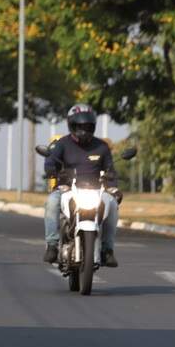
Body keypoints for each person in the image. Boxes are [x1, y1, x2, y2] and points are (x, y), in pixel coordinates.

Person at [42, 103, 119, 267]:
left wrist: (113, 188)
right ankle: (52, 245)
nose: (83, 130)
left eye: (87, 126)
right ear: (71, 125)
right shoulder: (62, 144)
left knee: (112, 204)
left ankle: (107, 250)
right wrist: (53, 171)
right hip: (67, 189)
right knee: (51, 202)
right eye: (79, 126)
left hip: (96, 190)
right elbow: (50, 162)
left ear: (93, 126)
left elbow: (110, 170)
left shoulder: (102, 147)